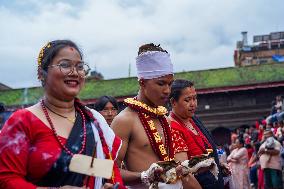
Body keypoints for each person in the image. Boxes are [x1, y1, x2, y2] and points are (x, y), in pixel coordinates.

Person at [0, 40, 125, 189]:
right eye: (65, 65)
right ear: (41, 73)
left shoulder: (92, 121)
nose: (74, 72)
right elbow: (6, 179)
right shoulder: (23, 121)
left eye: (80, 67)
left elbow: (106, 170)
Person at [111, 43, 201, 189]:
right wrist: (144, 176)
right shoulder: (125, 120)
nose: (167, 90)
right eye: (161, 84)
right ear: (142, 82)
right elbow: (106, 170)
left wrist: (189, 169)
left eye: (170, 84)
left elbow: (173, 170)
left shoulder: (164, 119)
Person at [169, 79, 226, 189]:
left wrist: (217, 165)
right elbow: (184, 172)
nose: (193, 104)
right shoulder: (173, 128)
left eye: (195, 98)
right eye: (187, 100)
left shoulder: (193, 120)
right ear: (173, 102)